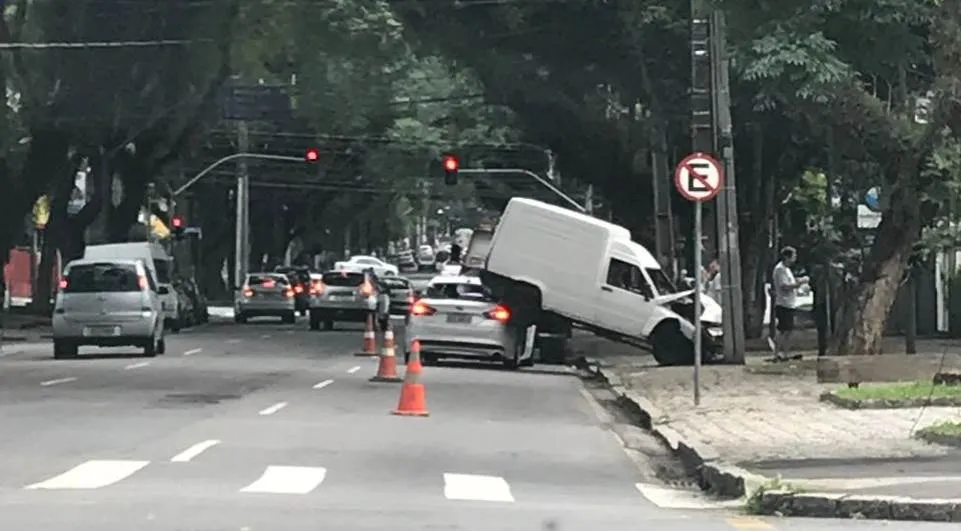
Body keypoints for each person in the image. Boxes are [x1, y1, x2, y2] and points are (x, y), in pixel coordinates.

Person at [771, 246, 809, 361]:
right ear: (787, 257)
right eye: (794, 255)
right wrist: (800, 283)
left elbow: (789, 282)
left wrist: (798, 280)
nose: (795, 258)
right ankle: (777, 353)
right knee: (783, 330)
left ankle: (785, 353)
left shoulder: (786, 269)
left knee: (788, 331)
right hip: (783, 303)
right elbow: (785, 286)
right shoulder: (780, 269)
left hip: (789, 303)